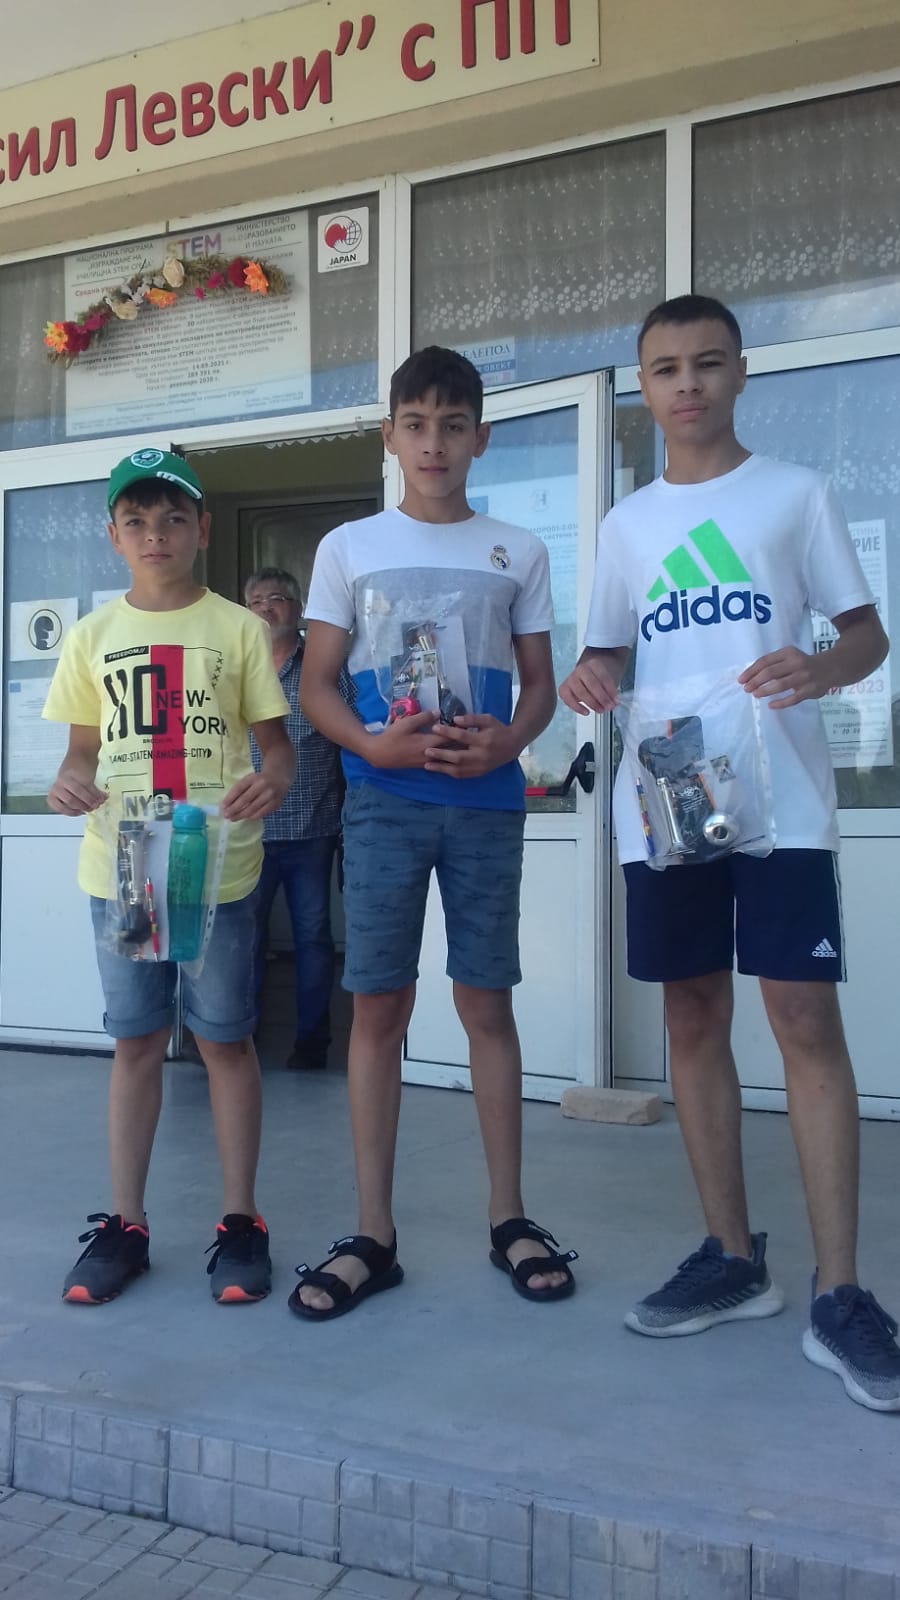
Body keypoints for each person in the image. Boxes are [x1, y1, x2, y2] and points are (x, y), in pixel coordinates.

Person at [560, 293, 900, 1412]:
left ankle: (840, 1291)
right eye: (666, 369)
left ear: (742, 373)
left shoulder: (795, 495)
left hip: (783, 803)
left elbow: (866, 634)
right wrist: (590, 676)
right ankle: (732, 1256)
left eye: (708, 363)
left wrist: (822, 667)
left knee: (803, 1018)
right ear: (645, 387)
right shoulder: (627, 524)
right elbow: (609, 649)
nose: (689, 385)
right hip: (670, 802)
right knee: (692, 1015)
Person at [289, 345, 578, 1320]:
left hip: (487, 806)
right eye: (416, 424)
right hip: (383, 804)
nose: (434, 443)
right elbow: (316, 686)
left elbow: (538, 688)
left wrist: (512, 741)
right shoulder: (349, 547)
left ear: (480, 438)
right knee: (378, 1008)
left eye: (453, 425)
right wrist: (375, 744)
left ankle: (510, 1217)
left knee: (487, 1005)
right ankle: (373, 1234)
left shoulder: (517, 550)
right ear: (390, 436)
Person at [45, 449, 294, 1307]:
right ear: (113, 536)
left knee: (224, 1040)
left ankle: (241, 1220)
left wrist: (276, 780)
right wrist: (66, 782)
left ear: (203, 529)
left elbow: (276, 747)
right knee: (138, 1041)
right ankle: (127, 1223)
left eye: (173, 519)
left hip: (215, 866)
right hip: (125, 866)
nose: (156, 535)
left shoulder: (238, 629)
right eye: (138, 521)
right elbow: (79, 752)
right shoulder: (92, 637)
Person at [245, 566, 348, 1070]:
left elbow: (353, 733)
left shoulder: (323, 670)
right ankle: (237, 1039)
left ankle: (312, 1043)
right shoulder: (235, 668)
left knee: (312, 939)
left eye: (279, 598)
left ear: (299, 608)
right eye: (257, 601)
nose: (267, 608)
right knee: (244, 939)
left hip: (312, 828)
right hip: (247, 830)